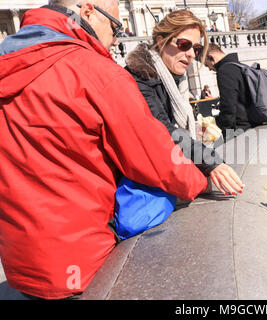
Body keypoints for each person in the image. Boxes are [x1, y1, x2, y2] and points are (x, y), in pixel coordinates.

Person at [0, 0, 213, 300]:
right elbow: (156, 159)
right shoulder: (96, 72)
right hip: (82, 266)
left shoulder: (9, 62)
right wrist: (203, 180)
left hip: (21, 267)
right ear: (87, 11)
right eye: (115, 26)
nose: (116, 36)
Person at [125, 10, 243, 194]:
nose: (190, 54)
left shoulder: (176, 79)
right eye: (183, 44)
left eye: (195, 48)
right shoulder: (140, 77)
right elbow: (163, 131)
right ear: (160, 41)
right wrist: (211, 162)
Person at [204, 43, 253, 141]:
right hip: (252, 124)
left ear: (211, 57)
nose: (209, 69)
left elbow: (228, 107)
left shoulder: (224, 70)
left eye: (207, 65)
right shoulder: (240, 66)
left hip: (240, 130)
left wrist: (221, 128)